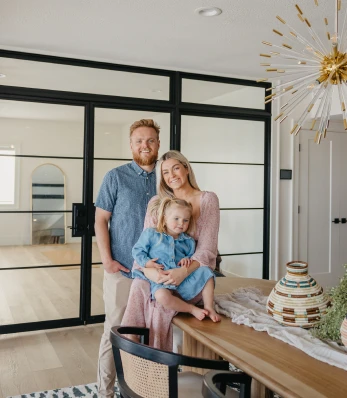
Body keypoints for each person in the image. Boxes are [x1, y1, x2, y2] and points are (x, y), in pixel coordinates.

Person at [122, 150, 220, 350]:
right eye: (165, 172)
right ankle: (131, 346)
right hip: (158, 273)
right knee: (139, 287)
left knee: (159, 305)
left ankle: (159, 359)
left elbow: (207, 249)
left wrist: (182, 271)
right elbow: (143, 245)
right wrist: (150, 271)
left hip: (188, 275)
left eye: (176, 168)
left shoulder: (207, 199)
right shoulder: (156, 204)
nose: (172, 175)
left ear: (186, 169)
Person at [95, 119, 160, 398]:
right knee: (115, 330)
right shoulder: (115, 176)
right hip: (122, 268)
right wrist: (107, 260)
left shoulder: (167, 177)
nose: (144, 145)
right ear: (131, 144)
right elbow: (100, 220)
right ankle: (105, 391)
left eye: (150, 140)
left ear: (158, 144)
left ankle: (147, 388)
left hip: (158, 273)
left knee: (154, 334)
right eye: (139, 141)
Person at [132, 197, 220, 321]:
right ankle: (191, 309)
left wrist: (186, 260)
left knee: (207, 273)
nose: (181, 223)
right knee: (162, 297)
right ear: (165, 218)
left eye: (185, 220)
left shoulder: (188, 241)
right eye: (176, 219)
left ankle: (209, 307)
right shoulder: (151, 234)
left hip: (181, 279)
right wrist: (146, 263)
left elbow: (190, 256)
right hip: (161, 280)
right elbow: (137, 250)